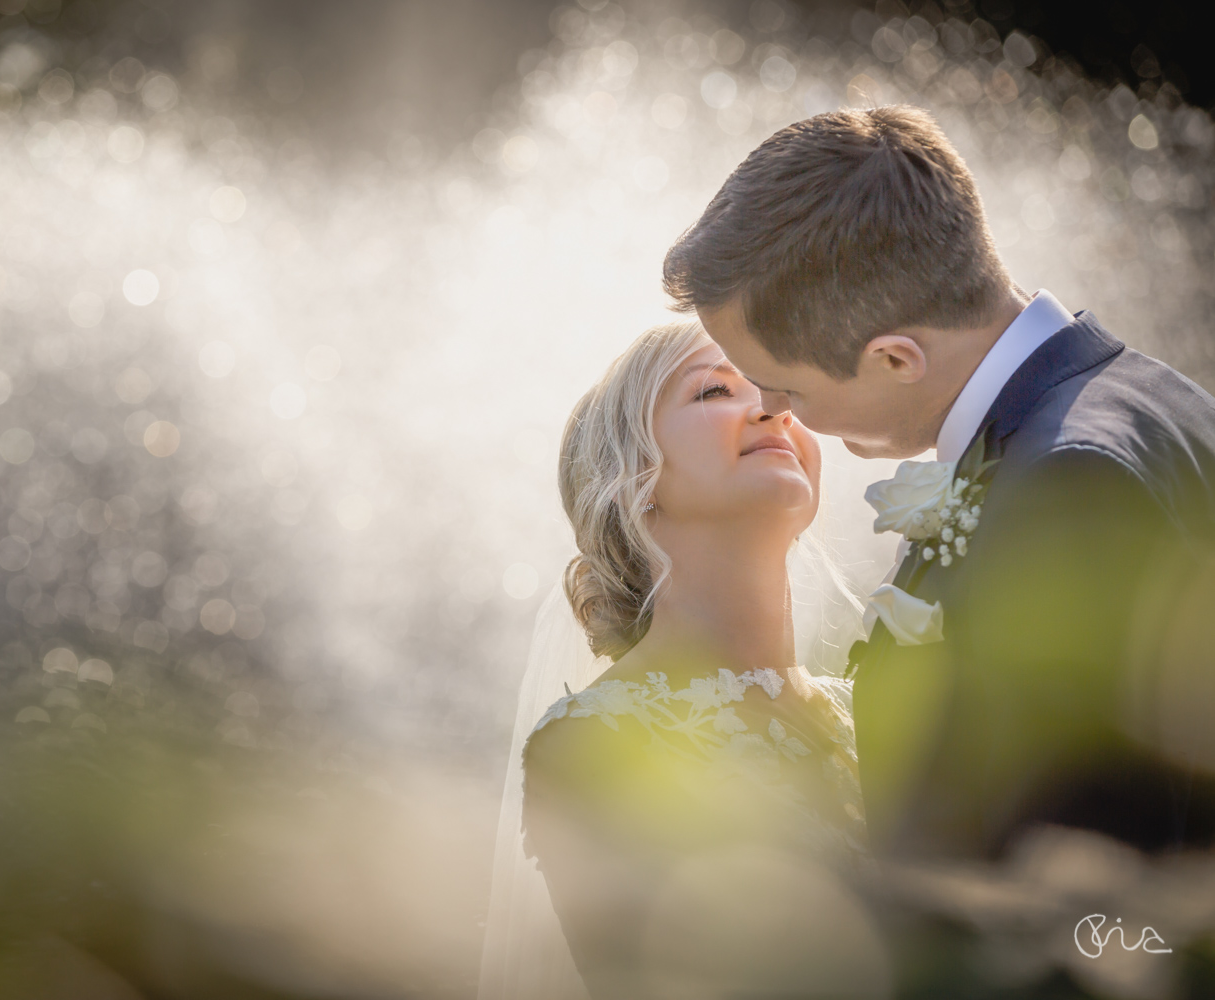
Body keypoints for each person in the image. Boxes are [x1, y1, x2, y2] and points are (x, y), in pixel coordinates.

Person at [661, 105, 1215, 865]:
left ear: (896, 358)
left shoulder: (1066, 485)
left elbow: (1096, 899)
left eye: (781, 386)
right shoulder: (1157, 398)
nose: (772, 412)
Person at [507, 322, 889, 999]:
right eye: (716, 389)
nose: (773, 407)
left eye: (780, 387)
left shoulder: (880, 709)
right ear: (634, 479)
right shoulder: (593, 747)